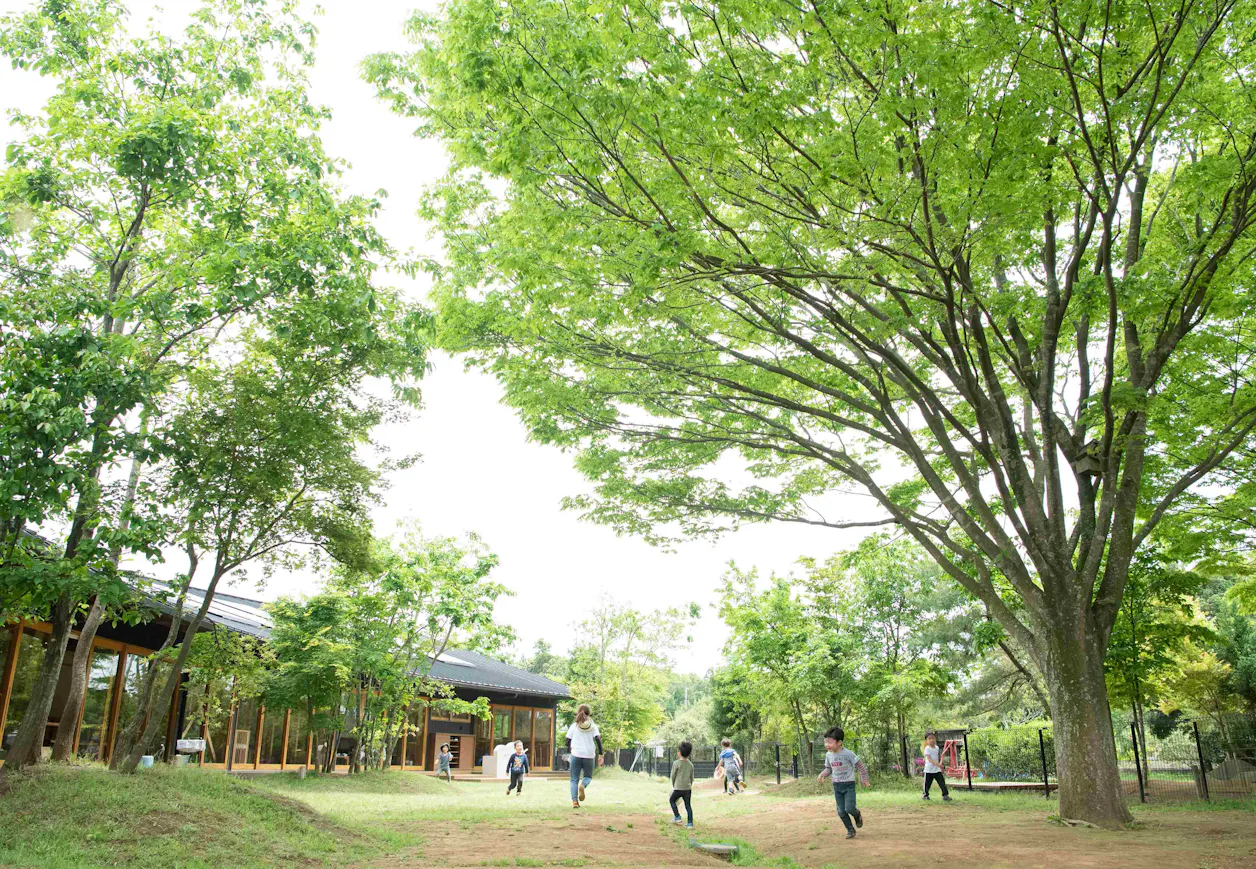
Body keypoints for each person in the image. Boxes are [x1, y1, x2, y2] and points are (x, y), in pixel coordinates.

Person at [816, 726, 870, 839]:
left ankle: (857, 815)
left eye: (830, 742)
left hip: (849, 785)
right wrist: (822, 775)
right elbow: (829, 769)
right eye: (825, 742)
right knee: (841, 811)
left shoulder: (848, 754)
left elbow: (860, 766)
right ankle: (850, 830)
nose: (827, 745)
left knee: (849, 808)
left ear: (839, 742)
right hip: (837, 786)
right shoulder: (828, 755)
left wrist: (864, 779)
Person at [565, 703, 603, 809]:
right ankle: (583, 786)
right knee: (588, 776)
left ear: (578, 712)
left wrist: (569, 752)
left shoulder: (574, 726)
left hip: (576, 754)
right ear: (589, 714)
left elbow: (567, 741)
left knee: (573, 779)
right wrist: (601, 754)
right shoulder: (593, 726)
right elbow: (598, 740)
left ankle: (575, 802)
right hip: (589, 755)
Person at [669, 741, 695, 827]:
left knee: (672, 800)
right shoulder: (690, 764)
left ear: (679, 752)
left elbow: (673, 776)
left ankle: (677, 816)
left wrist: (674, 785)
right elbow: (692, 777)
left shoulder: (676, 763)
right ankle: (690, 823)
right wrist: (689, 785)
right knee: (688, 805)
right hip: (687, 789)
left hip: (678, 788)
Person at [921, 732, 952, 801]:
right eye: (929, 739)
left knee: (942, 783)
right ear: (926, 740)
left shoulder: (936, 748)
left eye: (933, 738)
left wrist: (940, 766)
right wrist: (938, 764)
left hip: (937, 770)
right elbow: (929, 759)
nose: (931, 740)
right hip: (929, 770)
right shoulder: (927, 748)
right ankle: (925, 795)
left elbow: (937, 757)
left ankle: (945, 795)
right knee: (927, 784)